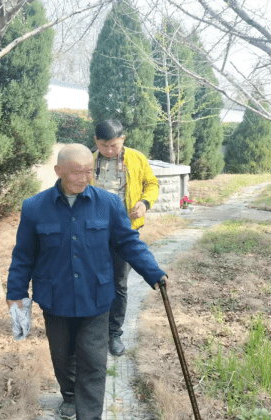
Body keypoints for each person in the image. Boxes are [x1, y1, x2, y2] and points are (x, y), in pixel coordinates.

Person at [6, 144, 167, 420]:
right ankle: (69, 395)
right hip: (55, 298)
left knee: (93, 363)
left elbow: (128, 242)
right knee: (62, 359)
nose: (84, 178)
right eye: (76, 173)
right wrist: (16, 292)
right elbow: (23, 255)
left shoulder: (109, 203)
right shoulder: (35, 207)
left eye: (88, 172)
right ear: (58, 171)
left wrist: (154, 272)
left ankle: (90, 414)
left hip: (96, 298)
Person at [91, 119, 160, 356]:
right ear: (95, 142)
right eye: (104, 145)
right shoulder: (88, 161)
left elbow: (151, 184)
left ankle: (114, 333)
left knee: (119, 283)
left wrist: (144, 202)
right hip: (93, 232)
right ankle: (95, 331)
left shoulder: (136, 158)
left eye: (115, 145)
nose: (109, 150)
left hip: (124, 231)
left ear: (123, 140)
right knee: (95, 281)